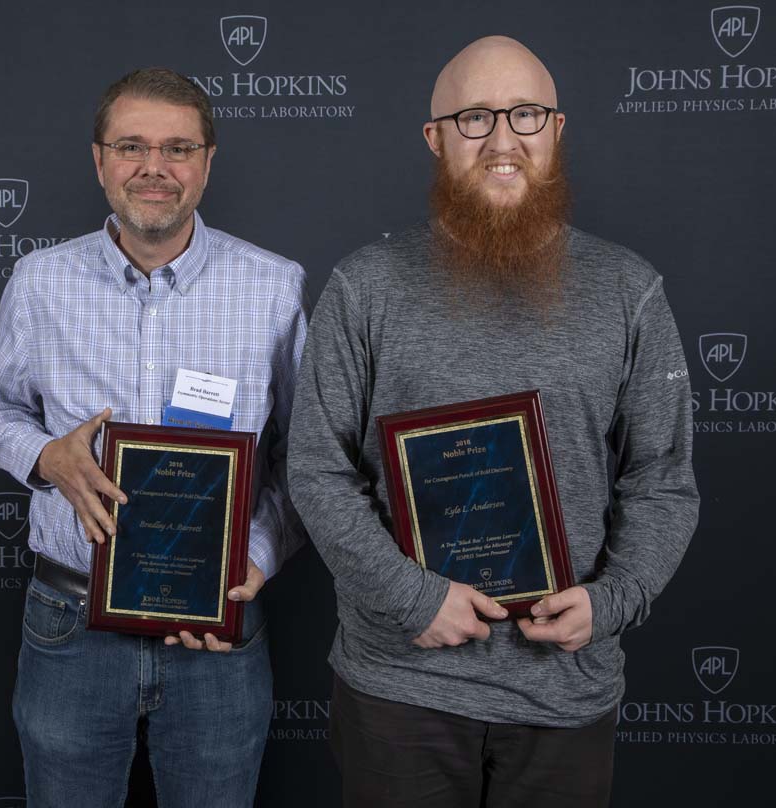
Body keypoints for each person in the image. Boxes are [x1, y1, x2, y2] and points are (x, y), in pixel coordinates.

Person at [288, 36, 698, 808]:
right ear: (434, 137)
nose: (504, 140)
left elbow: (663, 481)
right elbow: (316, 470)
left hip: (564, 692)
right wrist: (414, 599)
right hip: (399, 688)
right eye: (474, 117)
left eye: (527, 115)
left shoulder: (628, 290)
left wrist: (610, 602)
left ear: (557, 130)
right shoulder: (364, 287)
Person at [0, 67, 307, 807]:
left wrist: (253, 554)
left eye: (177, 148)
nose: (154, 168)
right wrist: (47, 458)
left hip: (219, 631)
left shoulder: (274, 287)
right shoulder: (39, 282)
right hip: (71, 623)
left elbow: (308, 456)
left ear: (208, 162)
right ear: (99, 161)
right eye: (131, 146)